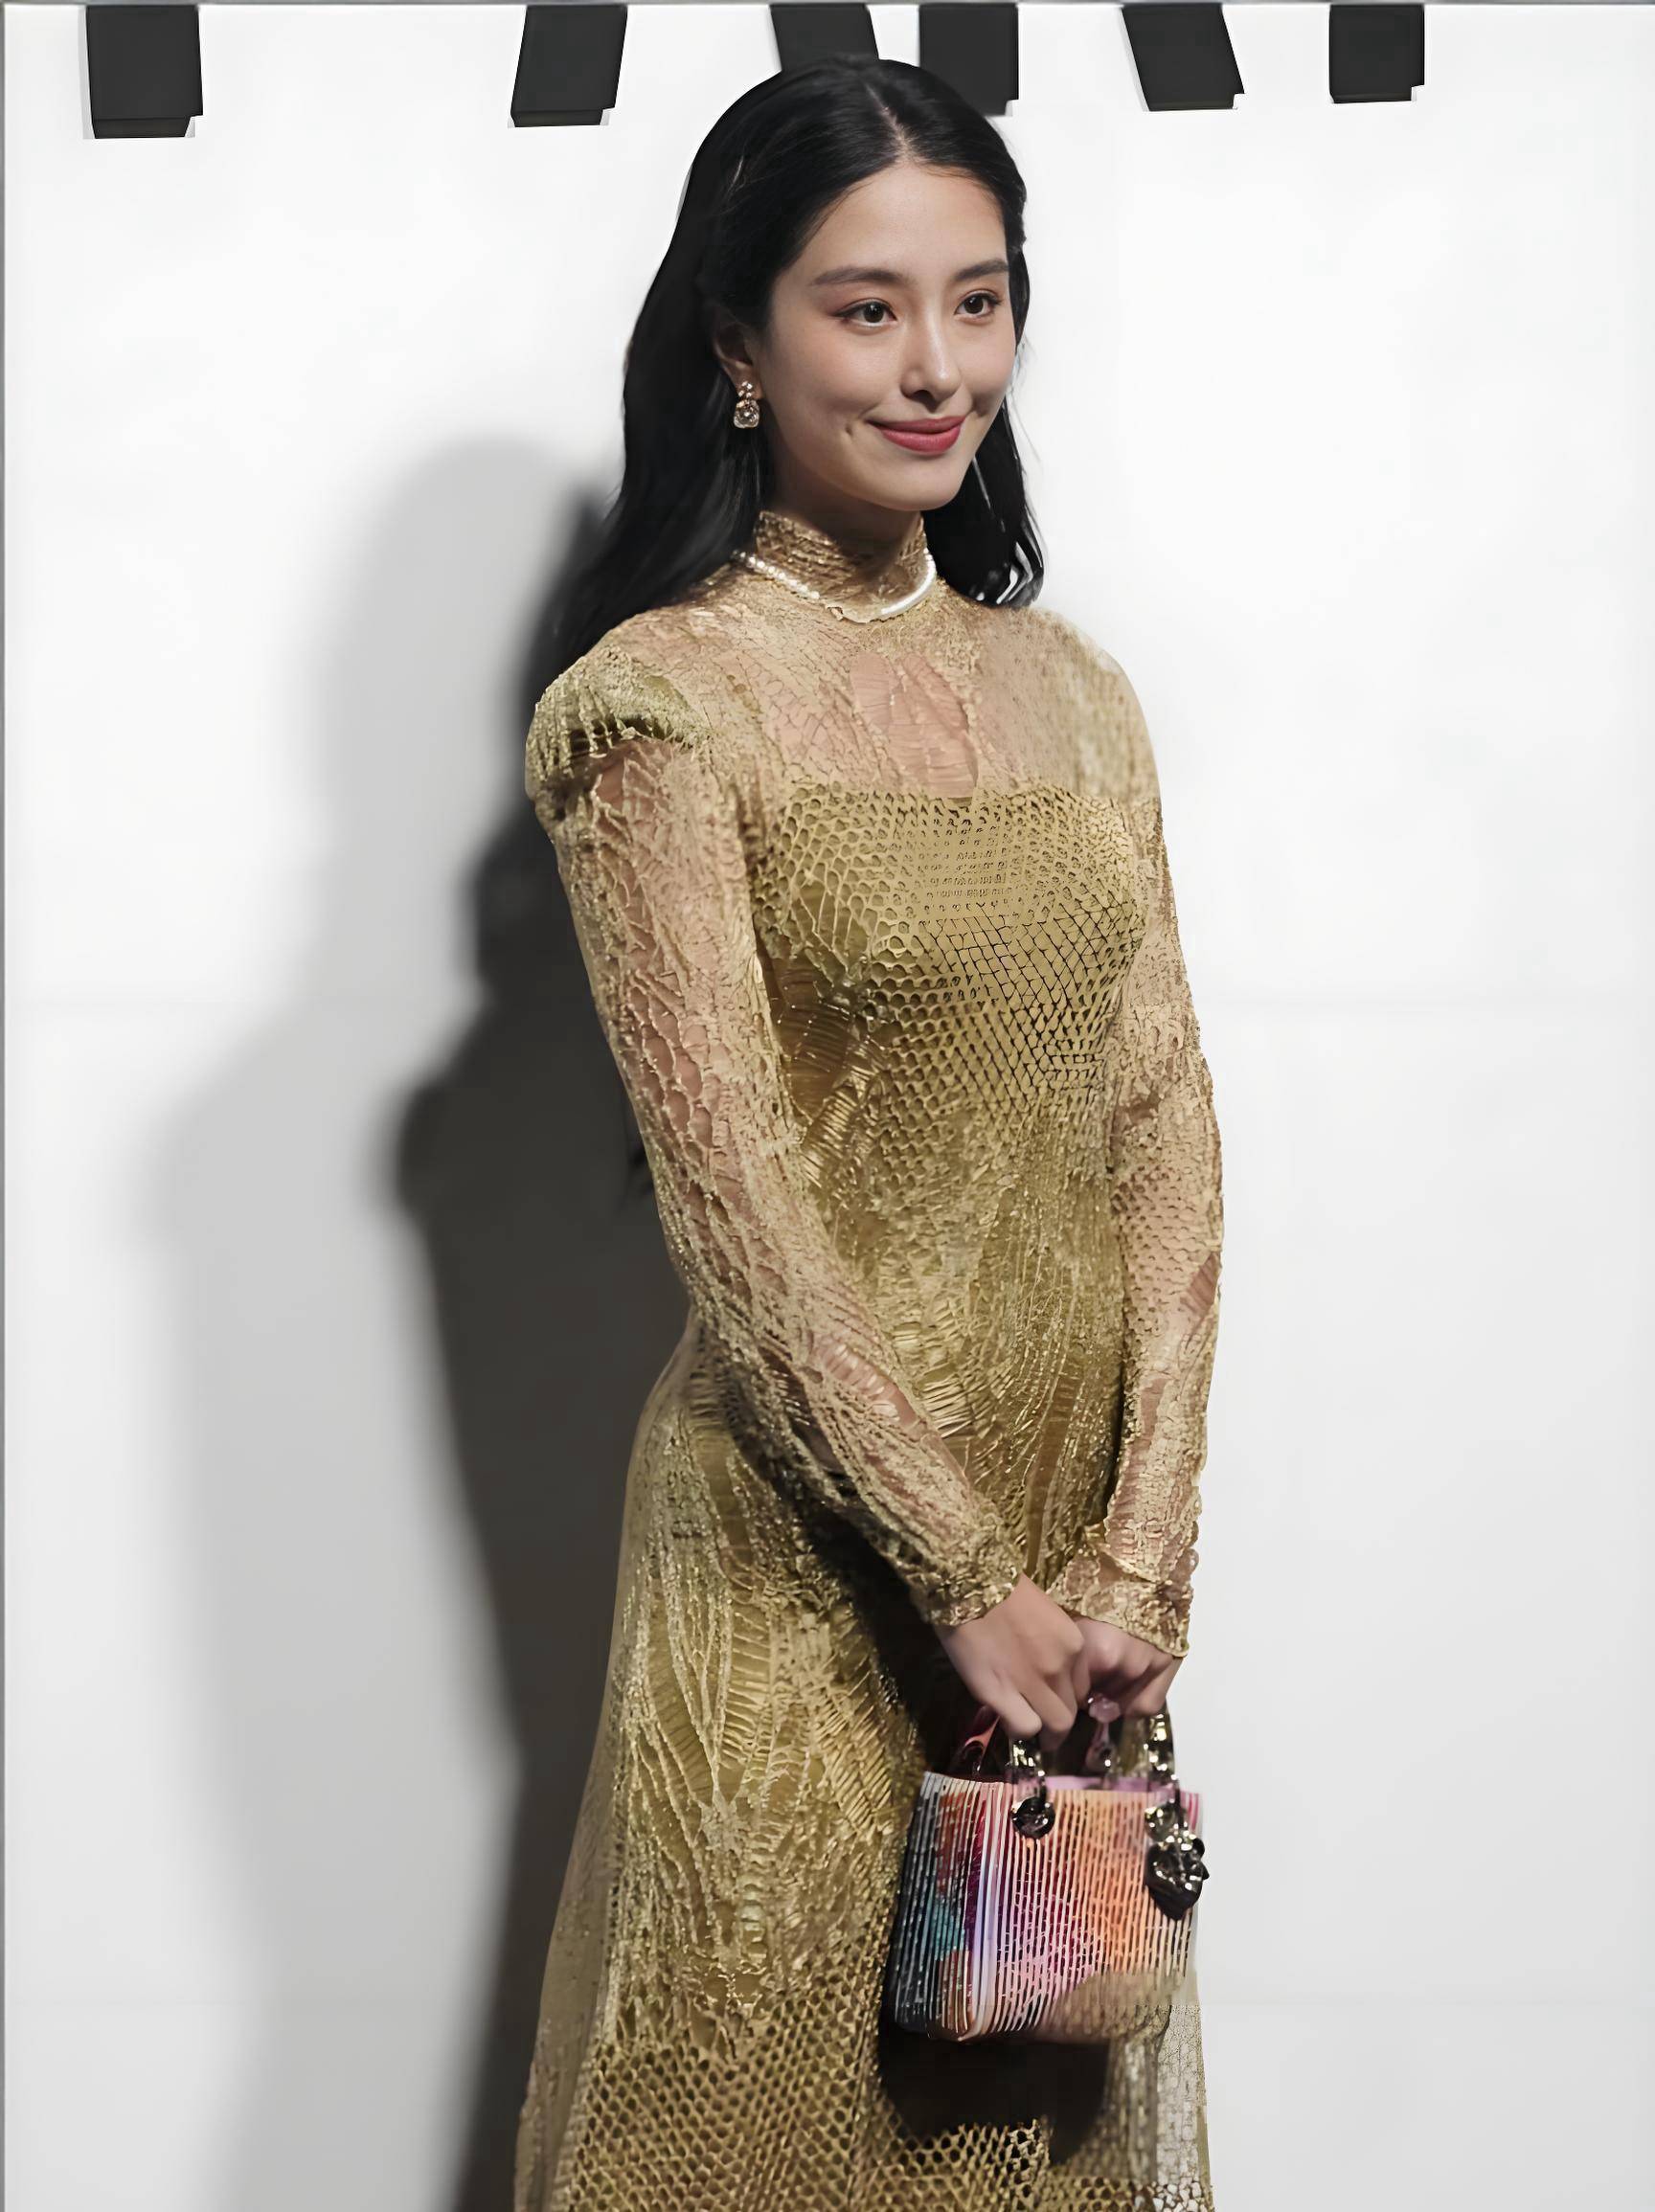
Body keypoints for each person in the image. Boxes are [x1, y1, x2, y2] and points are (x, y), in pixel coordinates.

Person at [513, 52, 1224, 2212]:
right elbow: (733, 1199)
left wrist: (1137, 1554)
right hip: (802, 1563)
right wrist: (965, 1578)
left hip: (1070, 1571)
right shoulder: (662, 703)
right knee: (734, 2131)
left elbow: (1162, 1113)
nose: (939, 368)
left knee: (1025, 2138)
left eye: (979, 301)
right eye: (868, 307)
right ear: (737, 344)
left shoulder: (1074, 693)